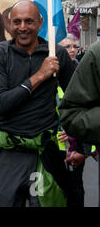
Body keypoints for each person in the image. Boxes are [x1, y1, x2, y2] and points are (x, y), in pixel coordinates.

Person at [0, 0, 75, 207]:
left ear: (40, 22)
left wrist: (75, 138)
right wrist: (40, 76)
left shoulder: (56, 54)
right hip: (10, 153)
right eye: (17, 22)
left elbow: (74, 99)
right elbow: (0, 104)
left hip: (45, 153)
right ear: (9, 23)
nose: (23, 27)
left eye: (29, 21)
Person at [59, 41, 100, 196]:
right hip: (56, 143)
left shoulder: (82, 63)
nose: (72, 50)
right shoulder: (96, 55)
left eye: (74, 47)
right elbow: (74, 113)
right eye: (67, 47)